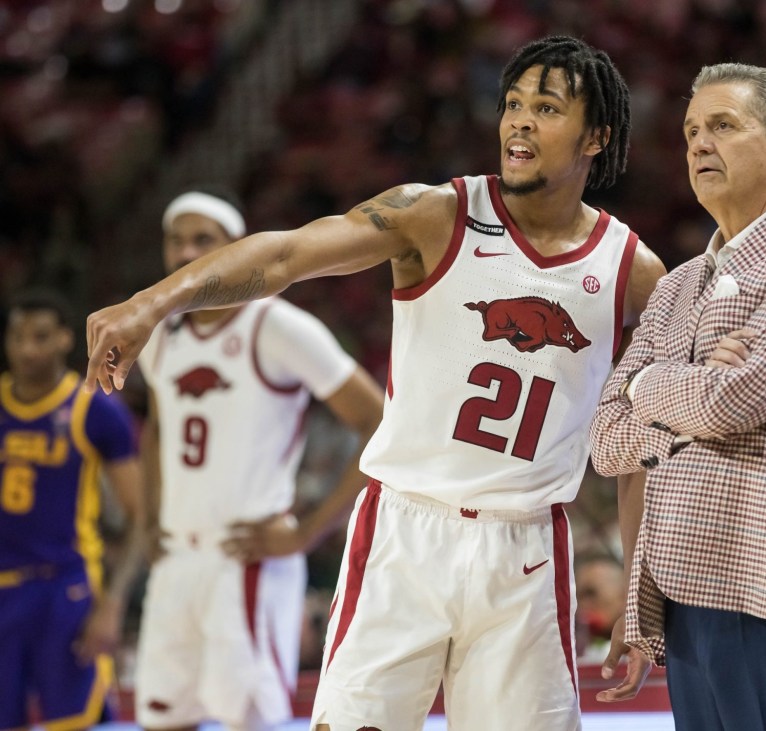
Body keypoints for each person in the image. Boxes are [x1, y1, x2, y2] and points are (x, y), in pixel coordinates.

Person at [84, 36, 664, 731]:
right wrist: (150, 303)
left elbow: (639, 450)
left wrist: (639, 597)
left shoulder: (634, 273)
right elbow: (285, 254)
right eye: (513, 103)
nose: (519, 121)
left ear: (597, 134)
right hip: (405, 533)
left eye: (546, 107)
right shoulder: (435, 213)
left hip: (528, 551)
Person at [589, 62, 766, 730]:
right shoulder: (675, 286)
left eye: (723, 125)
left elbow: (732, 402)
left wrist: (647, 385)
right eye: (692, 129)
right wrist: (691, 390)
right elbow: (605, 441)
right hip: (687, 604)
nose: (698, 143)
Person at [130, 188, 385, 731]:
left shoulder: (278, 327)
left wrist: (307, 533)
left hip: (245, 558)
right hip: (176, 557)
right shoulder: (157, 335)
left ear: (236, 249)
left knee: (251, 721)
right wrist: (151, 517)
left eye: (204, 240)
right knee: (161, 718)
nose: (185, 253)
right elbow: (159, 428)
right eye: (176, 241)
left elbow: (380, 421)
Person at [0, 289, 145, 730]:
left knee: (77, 722)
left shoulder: (96, 408)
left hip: (64, 592)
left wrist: (113, 605)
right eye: (18, 337)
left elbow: (140, 514)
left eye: (41, 337)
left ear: (66, 339)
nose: (27, 348)